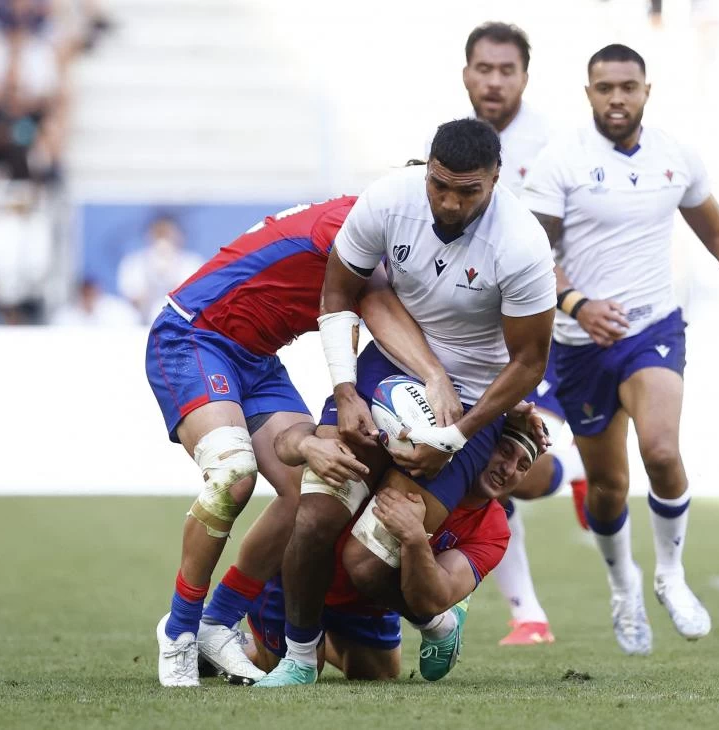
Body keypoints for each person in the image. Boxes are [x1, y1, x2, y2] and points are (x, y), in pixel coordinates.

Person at [521, 44, 719, 655]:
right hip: (579, 346)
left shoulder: (675, 157)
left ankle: (670, 574)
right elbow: (531, 256)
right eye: (604, 87)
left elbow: (716, 231)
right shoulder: (562, 162)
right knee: (607, 485)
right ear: (588, 94)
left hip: (652, 328)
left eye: (627, 86)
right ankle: (622, 583)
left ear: (646, 91)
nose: (616, 98)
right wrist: (578, 304)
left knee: (661, 450)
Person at [256, 118, 556, 687]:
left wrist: (460, 435)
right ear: (427, 169)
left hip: (470, 399)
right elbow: (339, 292)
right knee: (316, 514)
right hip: (385, 368)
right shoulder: (390, 199)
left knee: (369, 564)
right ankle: (299, 660)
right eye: (439, 185)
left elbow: (528, 363)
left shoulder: (520, 244)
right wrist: (345, 390)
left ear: (495, 180)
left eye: (467, 190)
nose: (448, 201)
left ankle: (438, 618)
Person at [147, 197, 458, 687]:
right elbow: (372, 305)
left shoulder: (386, 236)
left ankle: (218, 620)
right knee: (233, 476)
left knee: (310, 492)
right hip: (195, 336)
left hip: (257, 360)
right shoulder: (358, 223)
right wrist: (421, 380)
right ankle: (181, 630)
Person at [460, 20, 587, 647]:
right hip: (472, 340)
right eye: (483, 69)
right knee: (482, 465)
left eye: (506, 70)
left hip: (547, 340)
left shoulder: (557, 147)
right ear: (466, 74)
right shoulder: (450, 148)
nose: (494, 80)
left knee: (510, 466)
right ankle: (528, 616)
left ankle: (570, 474)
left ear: (524, 77)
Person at [244, 424, 536, 681]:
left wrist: (415, 537)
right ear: (482, 445)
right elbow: (287, 439)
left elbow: (433, 599)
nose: (508, 469)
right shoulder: (413, 458)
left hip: (368, 600)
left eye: (523, 466)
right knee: (299, 667)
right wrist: (308, 444)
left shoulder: (495, 529)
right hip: (300, 583)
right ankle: (239, 645)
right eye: (505, 451)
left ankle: (314, 638)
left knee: (379, 674)